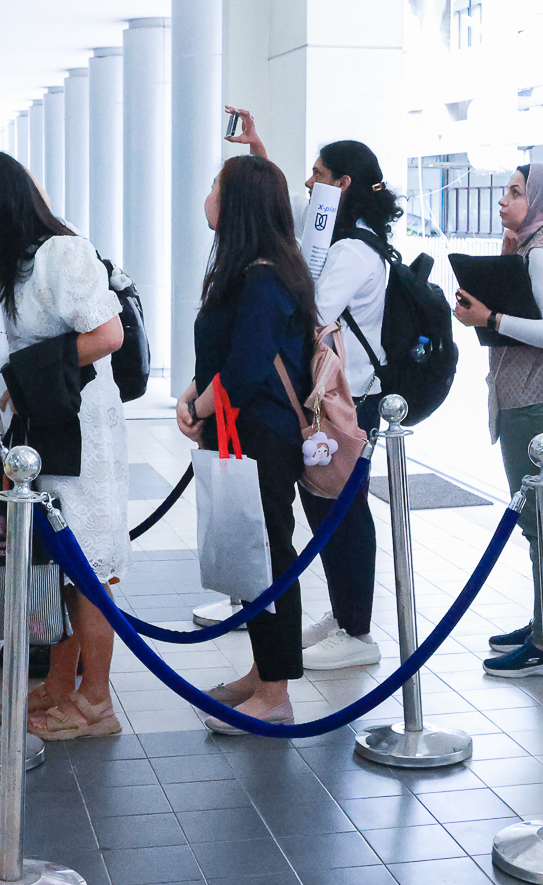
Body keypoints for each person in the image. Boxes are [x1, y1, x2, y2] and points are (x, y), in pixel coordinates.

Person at [0, 151, 129, 740]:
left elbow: (107, 334)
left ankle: (96, 700)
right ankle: (58, 682)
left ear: (4, 206)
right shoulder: (8, 266)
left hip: (81, 426)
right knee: (54, 561)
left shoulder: (63, 253)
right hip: (38, 425)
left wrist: (27, 371)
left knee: (86, 565)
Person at [225, 112, 386, 672]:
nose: (309, 182)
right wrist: (259, 153)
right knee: (326, 510)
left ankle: (358, 631)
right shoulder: (339, 238)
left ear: (343, 183)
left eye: (318, 174)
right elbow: (288, 214)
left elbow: (311, 310)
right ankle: (344, 616)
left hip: (347, 400)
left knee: (344, 513)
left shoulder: (352, 251)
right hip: (333, 397)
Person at [177, 155, 316, 731]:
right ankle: (262, 673)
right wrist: (192, 397)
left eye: (215, 185)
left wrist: (197, 406)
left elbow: (244, 371)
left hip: (261, 435)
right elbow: (223, 357)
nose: (207, 195)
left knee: (270, 555)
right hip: (239, 431)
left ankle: (276, 694)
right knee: (253, 554)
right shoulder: (250, 272)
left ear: (238, 204)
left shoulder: (264, 278)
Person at [452, 162, 543, 678]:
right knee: (541, 522)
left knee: (541, 523)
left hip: (538, 400)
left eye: (516, 192)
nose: (503, 200)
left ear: (542, 200)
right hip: (539, 397)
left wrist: (489, 318)